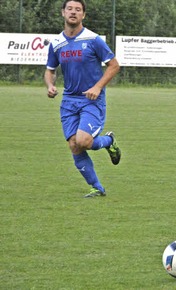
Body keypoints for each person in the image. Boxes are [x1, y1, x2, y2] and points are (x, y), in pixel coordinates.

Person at [44, 0, 121, 198]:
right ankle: (97, 188)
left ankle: (108, 141)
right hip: (69, 101)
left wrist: (97, 87)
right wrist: (50, 85)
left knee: (84, 140)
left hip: (91, 100)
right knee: (74, 145)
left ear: (83, 16)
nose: (73, 12)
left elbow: (113, 65)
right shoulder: (56, 43)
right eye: (70, 9)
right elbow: (50, 70)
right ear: (63, 12)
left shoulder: (93, 39)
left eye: (78, 10)